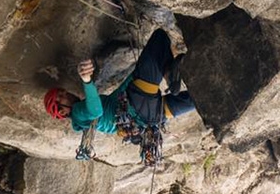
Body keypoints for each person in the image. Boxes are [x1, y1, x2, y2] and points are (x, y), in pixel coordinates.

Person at [43, 28, 194, 166]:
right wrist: (87, 81)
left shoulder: (90, 123)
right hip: (138, 99)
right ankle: (169, 73)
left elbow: (108, 103)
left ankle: (175, 75)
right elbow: (96, 111)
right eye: (60, 98)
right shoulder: (78, 113)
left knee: (198, 100)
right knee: (160, 38)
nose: (65, 94)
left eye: (62, 92)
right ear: (62, 112)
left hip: (153, 117)